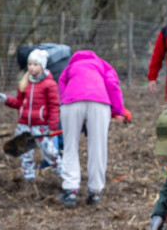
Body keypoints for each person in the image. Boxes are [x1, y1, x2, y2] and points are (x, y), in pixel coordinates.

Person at [56, 50, 130, 206]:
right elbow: (112, 85)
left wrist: (67, 104)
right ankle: (95, 191)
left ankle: (71, 190)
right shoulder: (102, 64)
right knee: (98, 147)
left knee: (70, 146)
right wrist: (118, 110)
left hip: (71, 102)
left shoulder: (70, 67)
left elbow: (61, 85)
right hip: (99, 102)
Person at [0, 48, 61, 181]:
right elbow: (19, 103)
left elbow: (54, 105)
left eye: (35, 64)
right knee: (25, 153)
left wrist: (53, 124)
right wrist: (7, 99)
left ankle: (63, 173)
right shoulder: (24, 83)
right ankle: (28, 178)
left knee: (50, 151)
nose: (31, 67)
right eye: (30, 64)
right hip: (24, 125)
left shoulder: (49, 84)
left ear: (42, 66)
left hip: (40, 126)